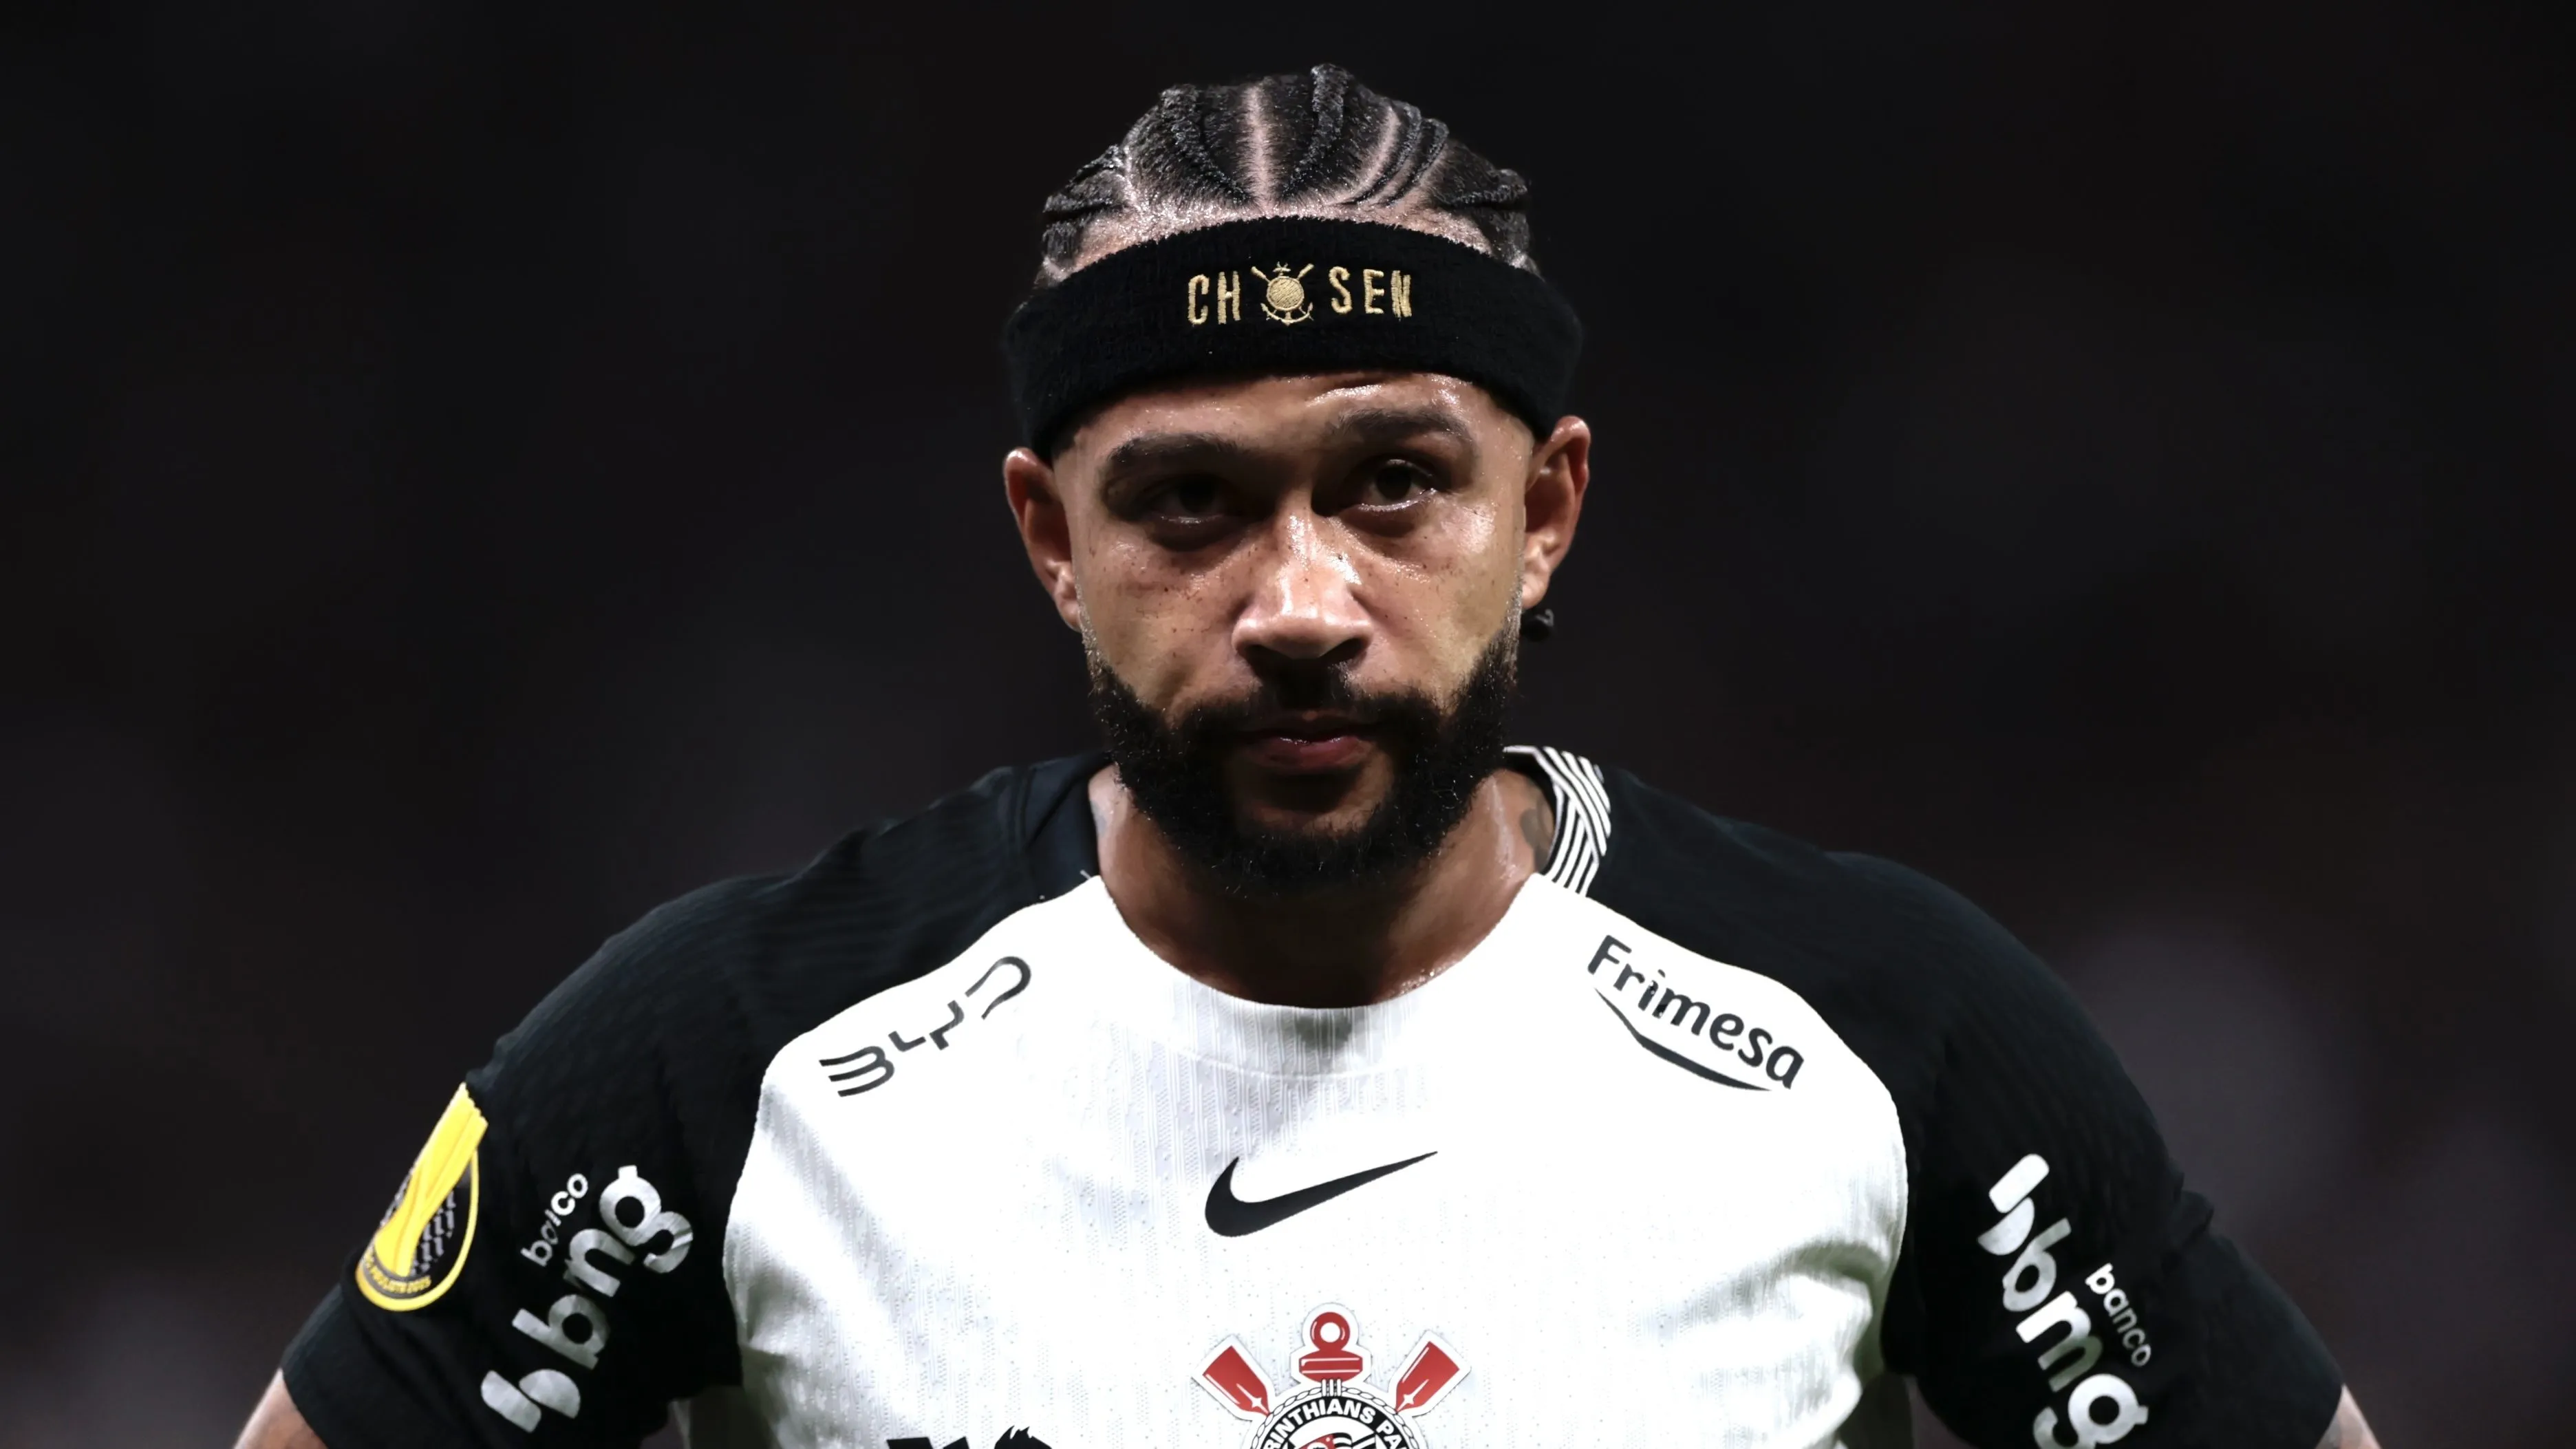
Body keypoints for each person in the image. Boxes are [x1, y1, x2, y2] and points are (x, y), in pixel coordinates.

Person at [235, 64, 2380, 1449]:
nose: (1298, 602)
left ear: (1546, 512)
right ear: (1048, 538)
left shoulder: (1894, 1039)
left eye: (1395, 486)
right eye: (1190, 503)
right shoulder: (724, 1059)